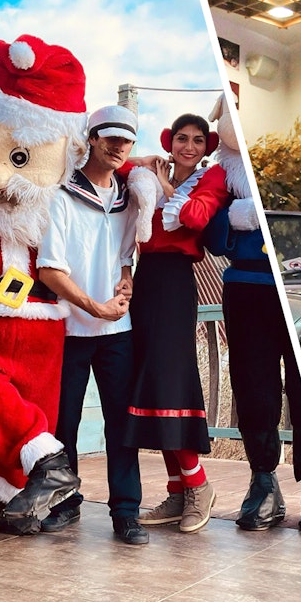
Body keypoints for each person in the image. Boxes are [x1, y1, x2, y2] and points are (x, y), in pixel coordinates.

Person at [0, 35, 85, 535]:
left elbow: (113, 178)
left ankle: (6, 498)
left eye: (19, 159)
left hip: (43, 320)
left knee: (36, 409)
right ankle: (50, 462)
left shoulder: (66, 204)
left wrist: (148, 178)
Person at [203, 95, 301, 533]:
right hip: (245, 289)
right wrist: (233, 214)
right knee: (254, 389)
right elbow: (211, 234)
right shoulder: (223, 171)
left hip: (299, 294)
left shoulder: (297, 182)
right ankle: (263, 481)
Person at [37, 104, 157, 545]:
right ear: (92, 138)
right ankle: (65, 504)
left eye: (126, 140)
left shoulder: (130, 200)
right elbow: (49, 268)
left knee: (121, 425)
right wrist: (93, 306)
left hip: (117, 334)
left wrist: (124, 284)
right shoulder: (61, 195)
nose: (118, 146)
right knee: (62, 423)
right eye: (110, 137)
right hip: (69, 331)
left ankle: (126, 512)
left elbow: (126, 258)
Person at [127, 113, 228, 534]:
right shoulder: (152, 170)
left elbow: (196, 219)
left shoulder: (212, 178)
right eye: (182, 138)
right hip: (145, 276)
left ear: (207, 146)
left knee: (170, 378)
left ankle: (198, 484)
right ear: (171, 142)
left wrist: (166, 186)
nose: (189, 146)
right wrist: (148, 161)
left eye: (198, 140)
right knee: (148, 379)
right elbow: (115, 164)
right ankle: (176, 489)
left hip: (175, 281)